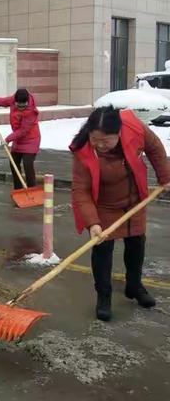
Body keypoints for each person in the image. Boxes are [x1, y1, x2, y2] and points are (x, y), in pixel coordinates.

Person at [71, 106, 170, 322]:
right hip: (105, 205)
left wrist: (165, 177)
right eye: (95, 139)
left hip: (135, 200)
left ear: (119, 133)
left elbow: (155, 148)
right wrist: (93, 223)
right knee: (102, 250)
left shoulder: (133, 127)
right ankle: (103, 296)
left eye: (105, 141)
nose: (99, 145)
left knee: (136, 244)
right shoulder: (83, 151)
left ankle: (134, 286)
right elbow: (81, 190)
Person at [0, 88, 41, 190]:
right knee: (13, 163)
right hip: (18, 139)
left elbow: (23, 130)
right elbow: (3, 101)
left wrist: (8, 139)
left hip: (31, 140)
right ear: (15, 101)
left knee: (28, 164)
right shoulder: (13, 100)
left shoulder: (32, 111)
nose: (21, 108)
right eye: (19, 106)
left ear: (27, 102)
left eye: (24, 106)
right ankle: (18, 189)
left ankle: (32, 189)